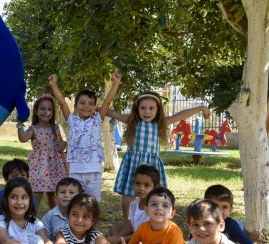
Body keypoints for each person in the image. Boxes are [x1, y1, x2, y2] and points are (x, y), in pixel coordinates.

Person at [107, 91, 211, 220]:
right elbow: (112, 113)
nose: (147, 112)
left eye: (151, 108)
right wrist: (95, 109)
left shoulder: (159, 124)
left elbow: (181, 114)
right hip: (133, 165)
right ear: (137, 109)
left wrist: (201, 108)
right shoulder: (133, 122)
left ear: (158, 110)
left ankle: (150, 223)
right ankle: (129, 224)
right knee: (127, 198)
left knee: (153, 197)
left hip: (152, 167)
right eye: (143, 108)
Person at [49, 72, 120, 200]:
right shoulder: (72, 120)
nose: (86, 106)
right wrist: (54, 85)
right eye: (82, 103)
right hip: (75, 170)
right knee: (75, 202)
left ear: (94, 108)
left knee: (92, 203)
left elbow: (107, 101)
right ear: (75, 107)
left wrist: (116, 83)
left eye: (90, 103)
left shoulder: (97, 120)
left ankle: (91, 220)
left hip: (94, 170)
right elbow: (63, 103)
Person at [204, 184, 269, 244]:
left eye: (224, 207)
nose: (219, 211)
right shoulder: (201, 223)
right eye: (215, 206)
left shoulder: (232, 225)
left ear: (230, 210)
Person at [118, 187, 185, 244]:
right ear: (146, 210)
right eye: (154, 204)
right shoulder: (143, 227)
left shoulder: (174, 231)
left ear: (172, 214)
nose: (159, 208)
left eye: (165, 205)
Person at [17, 93, 67, 211]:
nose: (46, 112)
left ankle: (55, 218)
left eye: (49, 109)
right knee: (37, 193)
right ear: (36, 111)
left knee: (54, 194)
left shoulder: (55, 128)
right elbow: (23, 139)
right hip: (39, 166)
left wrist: (65, 143)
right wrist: (19, 124)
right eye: (43, 109)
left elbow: (61, 143)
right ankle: (31, 219)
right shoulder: (33, 129)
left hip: (55, 166)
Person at [108, 164, 161, 244]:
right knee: (113, 228)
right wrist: (116, 238)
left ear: (155, 187)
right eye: (137, 183)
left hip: (145, 240)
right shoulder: (134, 204)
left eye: (146, 185)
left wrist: (117, 239)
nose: (141, 188)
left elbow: (143, 235)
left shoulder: (155, 209)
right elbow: (129, 228)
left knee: (117, 241)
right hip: (133, 235)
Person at [41, 177, 83, 243]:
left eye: (71, 193)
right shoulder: (50, 216)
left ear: (79, 197)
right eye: (62, 192)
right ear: (56, 197)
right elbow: (42, 236)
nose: (66, 195)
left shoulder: (82, 215)